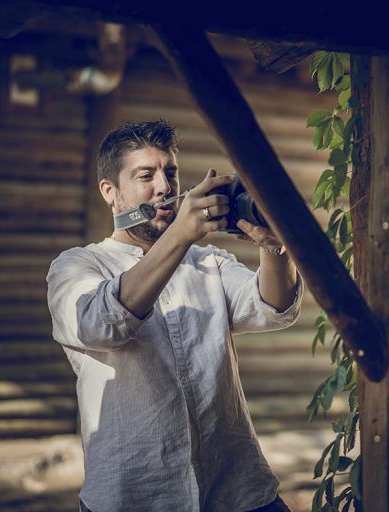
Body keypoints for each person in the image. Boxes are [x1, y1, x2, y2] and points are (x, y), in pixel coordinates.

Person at [46, 119, 303, 512]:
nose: (165, 188)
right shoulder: (75, 267)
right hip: (134, 497)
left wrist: (274, 249)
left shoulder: (209, 261)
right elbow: (99, 324)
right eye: (146, 176)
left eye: (171, 173)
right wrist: (179, 236)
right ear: (110, 193)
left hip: (238, 490)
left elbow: (272, 309)